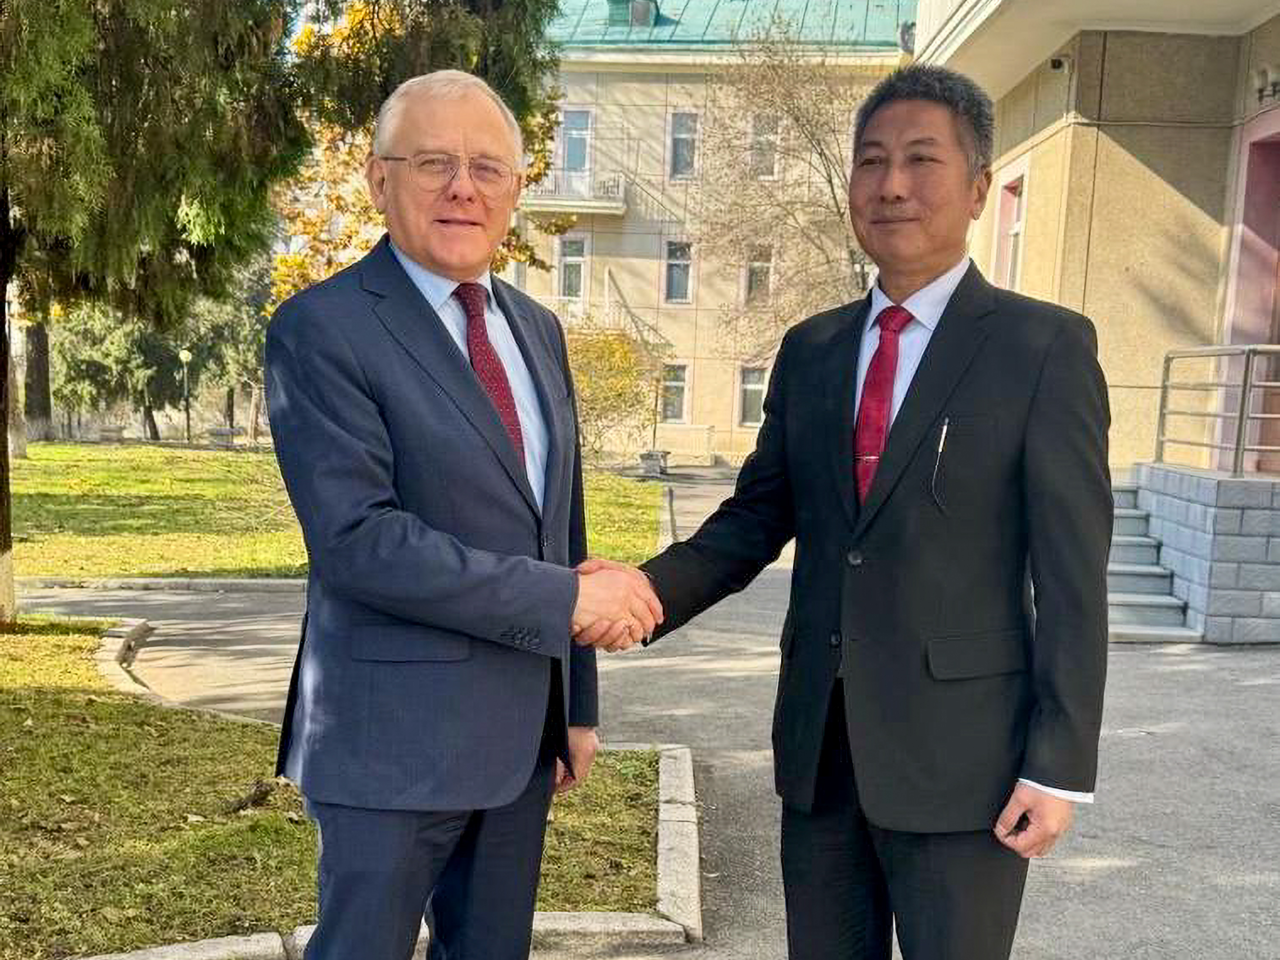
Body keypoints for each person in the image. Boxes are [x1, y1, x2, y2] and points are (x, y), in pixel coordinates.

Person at [579, 64, 1112, 959]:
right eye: (871, 161)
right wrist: (643, 588)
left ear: (979, 188)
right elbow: (756, 519)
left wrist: (1057, 767)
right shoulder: (814, 349)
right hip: (821, 758)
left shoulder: (1042, 348)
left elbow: (1071, 579)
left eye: (920, 159)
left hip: (966, 766)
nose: (892, 184)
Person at [266, 70, 661, 960]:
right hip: (389, 741)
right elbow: (359, 542)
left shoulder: (535, 327)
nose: (463, 187)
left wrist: (576, 707)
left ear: (517, 189)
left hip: (519, 742)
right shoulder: (322, 328)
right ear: (377, 179)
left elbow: (563, 525)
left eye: (488, 167)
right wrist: (563, 601)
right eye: (434, 162)